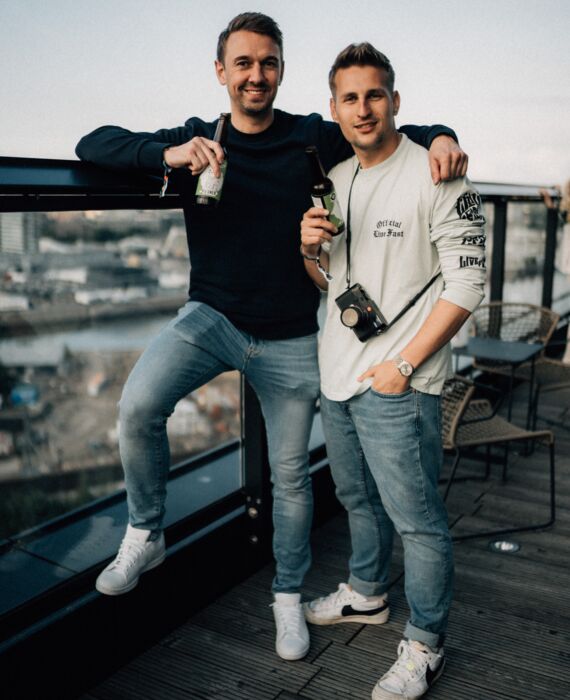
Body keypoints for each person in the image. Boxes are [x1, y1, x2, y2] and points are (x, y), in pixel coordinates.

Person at [75, 12, 468, 662]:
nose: (256, 75)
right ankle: (146, 531)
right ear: (221, 72)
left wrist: (445, 136)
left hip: (291, 338)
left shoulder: (312, 136)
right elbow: (93, 144)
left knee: (290, 477)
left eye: (268, 63)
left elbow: (394, 128)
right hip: (212, 319)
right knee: (138, 404)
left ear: (281, 70)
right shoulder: (201, 137)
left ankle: (287, 595)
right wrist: (167, 155)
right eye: (244, 63)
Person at [300, 43, 485, 698]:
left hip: (399, 382)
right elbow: (331, 283)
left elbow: (468, 286)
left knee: (418, 520)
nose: (363, 108)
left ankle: (426, 643)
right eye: (349, 98)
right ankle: (368, 592)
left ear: (395, 100)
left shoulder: (438, 172)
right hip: (338, 375)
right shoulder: (336, 178)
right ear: (334, 109)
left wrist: (403, 365)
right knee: (357, 499)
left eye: (374, 95)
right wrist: (309, 250)